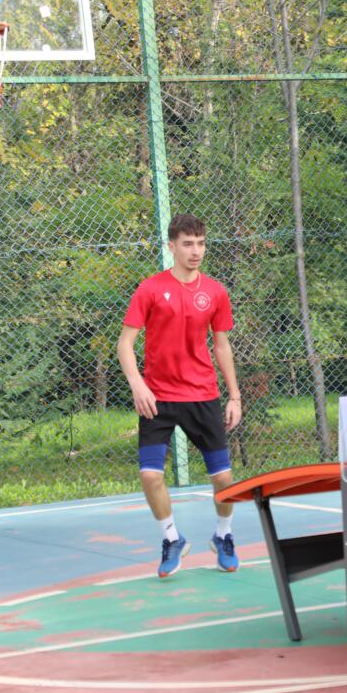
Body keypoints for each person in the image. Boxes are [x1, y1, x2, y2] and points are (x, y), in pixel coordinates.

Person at [118, 214, 243, 578]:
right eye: (188, 244)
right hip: (157, 397)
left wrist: (234, 395)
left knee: (223, 479)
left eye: (201, 243)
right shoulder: (150, 289)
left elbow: (222, 346)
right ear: (171, 246)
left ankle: (224, 535)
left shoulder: (216, 292)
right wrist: (138, 385)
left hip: (202, 395)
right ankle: (172, 538)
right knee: (149, 475)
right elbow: (125, 344)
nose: (196, 251)